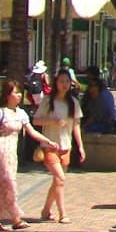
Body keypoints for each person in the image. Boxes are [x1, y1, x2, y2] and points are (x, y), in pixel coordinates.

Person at [0, 80, 57, 231]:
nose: (18, 95)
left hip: (12, 152)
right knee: (7, 182)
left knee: (3, 184)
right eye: (15, 92)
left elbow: (31, 131)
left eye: (19, 92)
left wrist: (47, 141)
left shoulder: (21, 113)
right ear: (7, 95)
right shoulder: (0, 113)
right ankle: (16, 218)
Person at [33, 68, 85, 222]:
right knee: (60, 178)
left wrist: (80, 146)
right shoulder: (48, 101)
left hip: (66, 145)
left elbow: (76, 126)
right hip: (50, 145)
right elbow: (36, 120)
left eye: (67, 82)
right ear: (56, 82)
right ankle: (63, 213)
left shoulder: (73, 103)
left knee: (57, 181)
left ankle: (46, 210)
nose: (64, 84)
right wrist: (52, 121)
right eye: (61, 81)